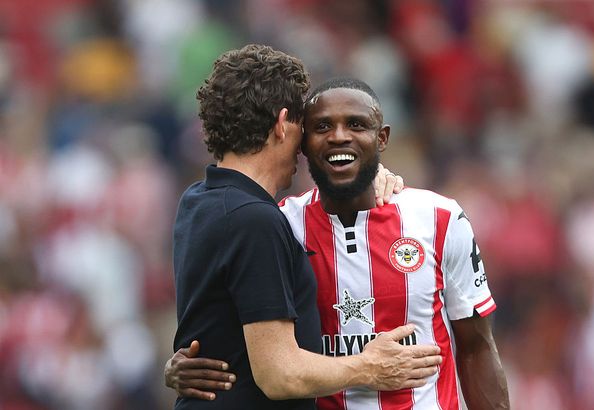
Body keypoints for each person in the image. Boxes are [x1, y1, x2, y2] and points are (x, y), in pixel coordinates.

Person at [167, 77, 510, 409]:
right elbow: (249, 337)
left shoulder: (441, 219)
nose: (339, 137)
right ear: (301, 142)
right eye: (322, 127)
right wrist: (185, 363)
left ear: (383, 138)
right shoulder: (281, 226)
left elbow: (476, 346)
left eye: (357, 125)